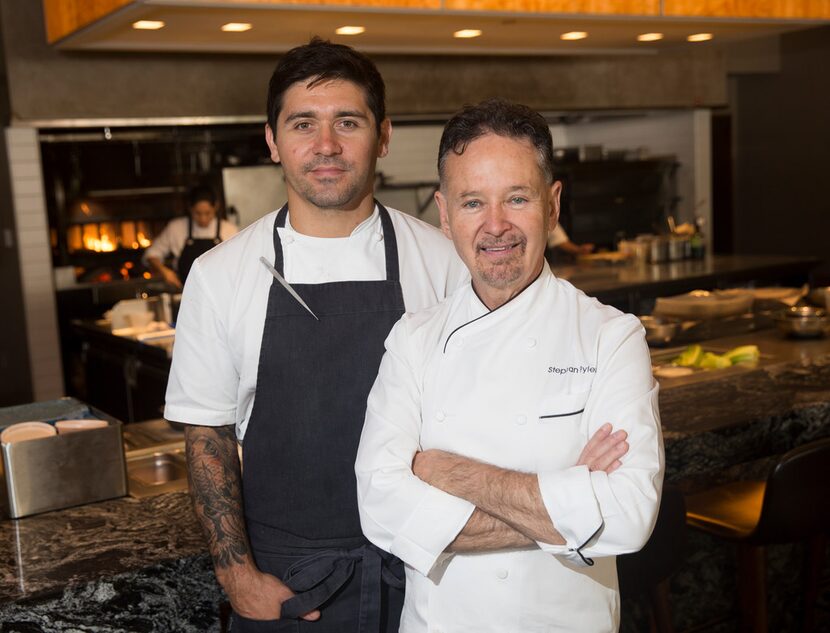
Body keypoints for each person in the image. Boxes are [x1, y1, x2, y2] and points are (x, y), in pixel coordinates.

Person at [164, 38, 467, 632]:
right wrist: (237, 577)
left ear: (383, 136)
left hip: (426, 575)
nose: (325, 145)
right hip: (290, 590)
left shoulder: (445, 261)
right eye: (303, 123)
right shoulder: (221, 273)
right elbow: (208, 434)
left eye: (347, 122)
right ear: (273, 141)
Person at [355, 98, 664, 632]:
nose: (496, 226)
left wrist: (448, 472)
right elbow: (380, 508)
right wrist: (572, 498)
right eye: (473, 202)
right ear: (445, 214)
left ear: (552, 204)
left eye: (517, 198)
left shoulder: (611, 337)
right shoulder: (412, 341)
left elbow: (630, 515)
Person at [144, 184, 238, 288]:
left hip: (221, 291)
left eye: (208, 213)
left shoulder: (229, 230)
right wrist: (165, 272)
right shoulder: (176, 227)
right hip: (185, 293)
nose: (203, 219)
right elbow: (152, 254)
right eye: (197, 213)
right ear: (190, 208)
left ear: (216, 207)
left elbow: (238, 263)